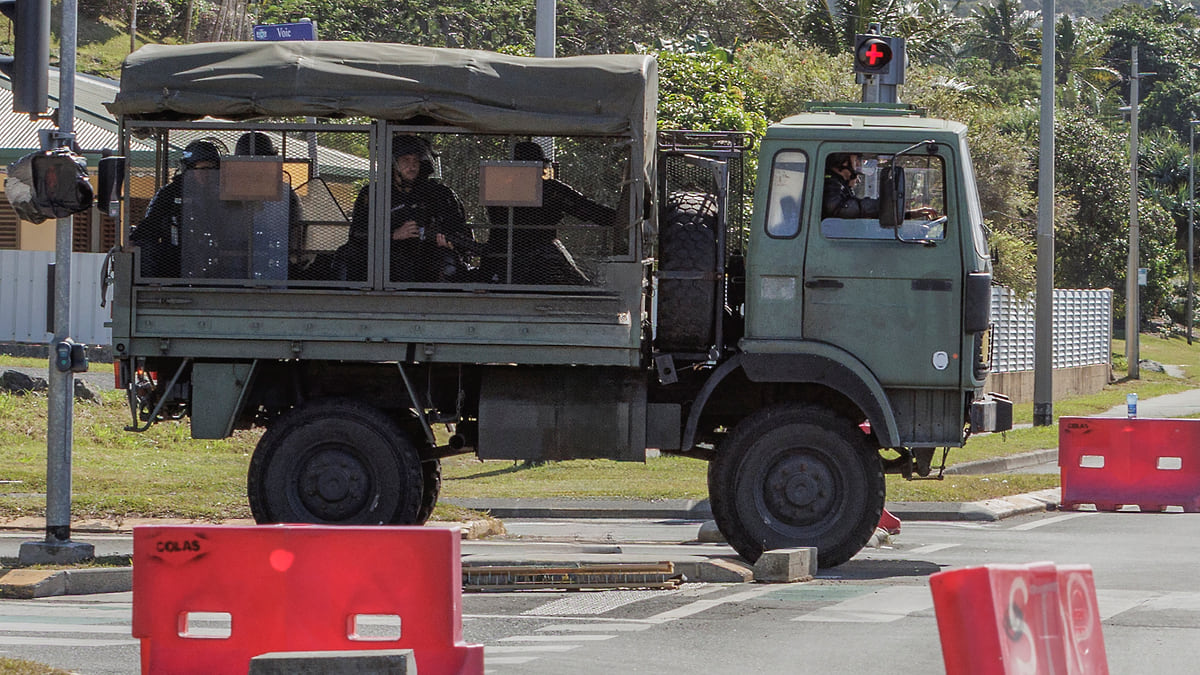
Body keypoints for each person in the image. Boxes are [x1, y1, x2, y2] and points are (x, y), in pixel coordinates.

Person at [483, 141, 616, 285]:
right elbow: (589, 210)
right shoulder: (549, 189)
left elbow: (587, 209)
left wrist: (617, 217)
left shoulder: (500, 189)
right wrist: (621, 218)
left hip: (500, 258)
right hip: (539, 257)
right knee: (585, 289)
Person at [342, 135, 471, 282]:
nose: (412, 166)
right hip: (385, 262)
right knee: (346, 255)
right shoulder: (373, 193)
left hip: (426, 260)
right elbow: (357, 234)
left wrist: (448, 243)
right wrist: (393, 235)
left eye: (416, 160)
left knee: (449, 264)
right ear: (393, 163)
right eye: (406, 160)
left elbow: (459, 229)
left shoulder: (439, 193)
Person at [129, 139, 221, 277]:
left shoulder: (225, 194)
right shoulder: (170, 193)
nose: (208, 174)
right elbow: (150, 226)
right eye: (203, 169)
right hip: (175, 270)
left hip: (219, 268)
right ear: (188, 169)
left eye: (213, 169)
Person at [234, 132, 306, 277]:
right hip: (235, 261)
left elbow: (296, 232)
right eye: (250, 163)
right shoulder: (229, 191)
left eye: (263, 162)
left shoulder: (285, 192)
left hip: (275, 259)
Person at [822, 152, 937, 220]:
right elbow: (843, 209)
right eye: (856, 160)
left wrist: (908, 213)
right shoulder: (829, 183)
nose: (858, 164)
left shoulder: (838, 184)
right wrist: (886, 205)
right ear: (842, 161)